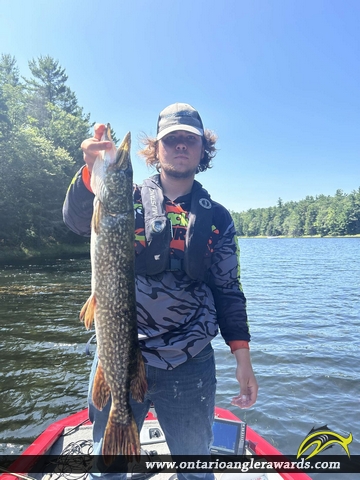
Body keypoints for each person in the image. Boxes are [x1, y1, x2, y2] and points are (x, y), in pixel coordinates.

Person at [63, 103, 258, 479]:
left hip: (191, 361)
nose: (181, 145)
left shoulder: (216, 218)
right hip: (119, 353)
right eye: (172, 139)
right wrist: (91, 172)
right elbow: (74, 220)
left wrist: (243, 358)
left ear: (203, 151)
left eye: (190, 139)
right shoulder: (126, 200)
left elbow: (229, 289)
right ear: (157, 149)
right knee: (108, 468)